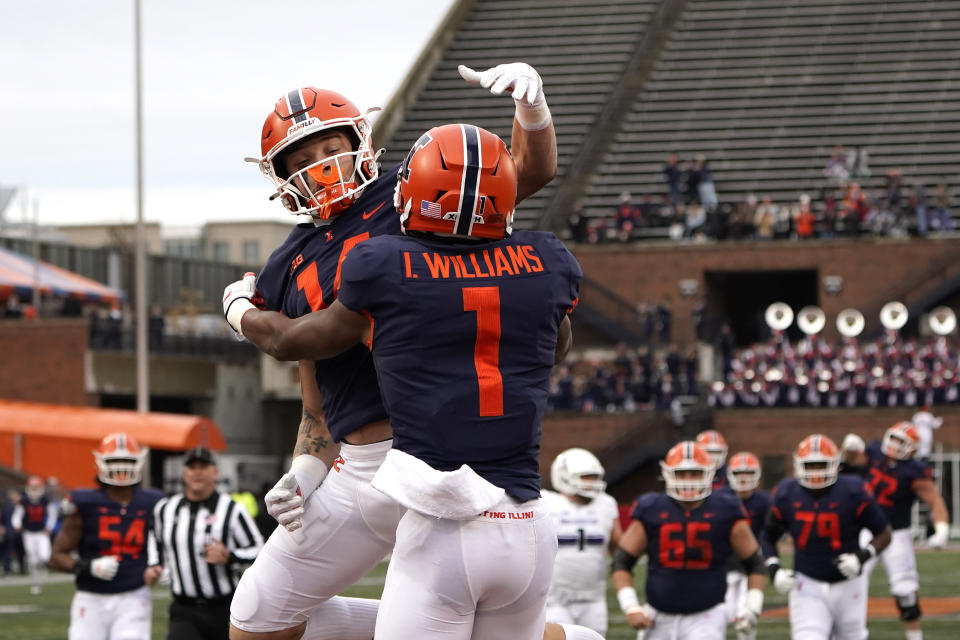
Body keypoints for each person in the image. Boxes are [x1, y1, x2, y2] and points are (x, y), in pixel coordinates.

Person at [225, 62, 595, 640]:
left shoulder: (411, 189)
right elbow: (314, 388)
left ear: (360, 141)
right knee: (257, 620)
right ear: (279, 175)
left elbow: (528, 170)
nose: (319, 165)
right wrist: (305, 467)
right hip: (362, 468)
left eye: (329, 145)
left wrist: (532, 112)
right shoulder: (286, 265)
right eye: (301, 158)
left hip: (442, 454)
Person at [611, 441, 767, 639]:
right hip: (658, 615)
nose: (688, 480)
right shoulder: (651, 508)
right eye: (681, 473)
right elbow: (622, 561)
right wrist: (631, 606)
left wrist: (752, 606)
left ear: (709, 474)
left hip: (707, 615)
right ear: (668, 474)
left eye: (695, 473)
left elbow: (755, 563)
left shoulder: (725, 508)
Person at [764, 434, 892, 640]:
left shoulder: (853, 490)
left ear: (835, 464)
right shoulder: (787, 493)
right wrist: (774, 569)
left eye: (821, 464)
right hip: (807, 583)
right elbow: (768, 537)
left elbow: (884, 533)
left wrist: (861, 557)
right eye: (810, 465)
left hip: (849, 582)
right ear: (799, 465)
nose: (816, 472)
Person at [841, 422, 951, 640]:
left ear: (912, 448)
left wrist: (941, 529)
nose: (895, 445)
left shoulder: (915, 470)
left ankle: (915, 637)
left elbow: (934, 501)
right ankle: (849, 634)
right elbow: (853, 461)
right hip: (865, 530)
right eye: (894, 439)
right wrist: (848, 449)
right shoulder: (873, 452)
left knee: (905, 591)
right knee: (851, 580)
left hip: (897, 533)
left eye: (902, 442)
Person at [49, 433, 164, 639]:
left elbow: (168, 544)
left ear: (138, 463)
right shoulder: (84, 502)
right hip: (91, 597)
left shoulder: (153, 502)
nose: (120, 467)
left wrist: (163, 567)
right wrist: (88, 567)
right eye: (114, 461)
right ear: (101, 464)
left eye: (126, 461)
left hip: (134, 595)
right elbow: (56, 557)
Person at [147, 447, 264, 640]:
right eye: (192, 467)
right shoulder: (166, 509)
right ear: (184, 472)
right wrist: (155, 564)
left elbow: (260, 549)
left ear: (215, 472)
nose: (197, 472)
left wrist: (229, 556)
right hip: (184, 609)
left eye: (203, 466)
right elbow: (156, 538)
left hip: (224, 608)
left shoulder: (232, 510)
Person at [542, 448, 622, 636]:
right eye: (586, 477)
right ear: (564, 476)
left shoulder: (606, 504)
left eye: (594, 477)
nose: (592, 482)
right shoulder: (546, 502)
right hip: (554, 599)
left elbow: (619, 550)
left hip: (593, 599)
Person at [720, 452, 772, 640]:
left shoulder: (764, 501)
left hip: (752, 564)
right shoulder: (720, 498)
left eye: (748, 473)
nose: (743, 479)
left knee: (747, 618)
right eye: (739, 473)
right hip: (724, 564)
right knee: (720, 616)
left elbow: (770, 534)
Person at [11, 475, 57, 595]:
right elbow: (17, 515)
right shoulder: (23, 501)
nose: (34, 490)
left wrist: (49, 527)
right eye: (32, 487)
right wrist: (17, 524)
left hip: (41, 533)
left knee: (44, 556)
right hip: (28, 533)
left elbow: (52, 514)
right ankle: (36, 583)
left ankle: (42, 570)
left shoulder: (45, 500)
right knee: (32, 559)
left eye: (36, 487)